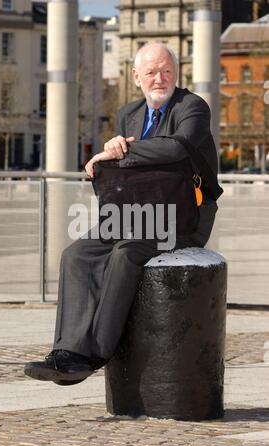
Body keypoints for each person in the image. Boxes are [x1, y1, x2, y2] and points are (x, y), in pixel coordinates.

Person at [24, 43, 219, 385]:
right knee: (76, 255)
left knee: (126, 253)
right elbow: (128, 165)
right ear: (136, 77)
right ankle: (68, 351)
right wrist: (107, 156)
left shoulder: (192, 107)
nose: (159, 79)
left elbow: (178, 147)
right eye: (151, 73)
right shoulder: (128, 113)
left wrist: (120, 150)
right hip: (134, 212)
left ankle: (95, 352)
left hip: (183, 217)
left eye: (166, 71)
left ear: (177, 72)